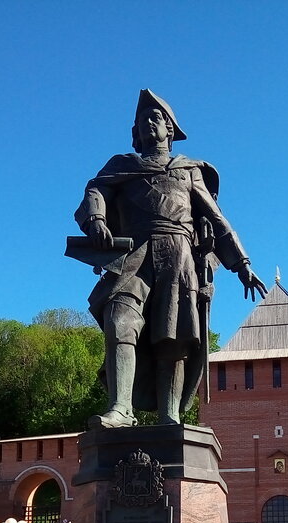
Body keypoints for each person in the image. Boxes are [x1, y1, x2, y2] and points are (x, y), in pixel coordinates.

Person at [72, 89, 267, 428]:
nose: (148, 123)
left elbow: (217, 220)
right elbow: (96, 190)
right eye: (142, 120)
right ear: (135, 132)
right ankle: (121, 408)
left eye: (156, 119)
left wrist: (242, 264)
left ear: (171, 130)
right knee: (120, 320)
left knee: (172, 338)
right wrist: (97, 220)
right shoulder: (121, 166)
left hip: (178, 257)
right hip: (133, 254)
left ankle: (169, 415)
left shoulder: (188, 170)